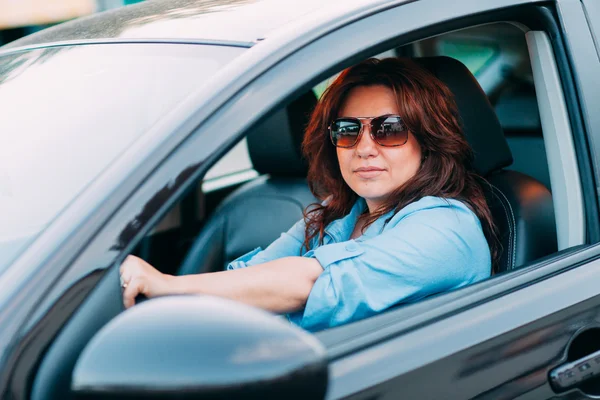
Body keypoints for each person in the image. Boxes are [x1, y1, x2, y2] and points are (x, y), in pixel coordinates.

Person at [119, 57, 496, 332]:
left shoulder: (448, 227)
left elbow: (313, 284)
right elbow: (255, 275)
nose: (364, 147)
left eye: (389, 129)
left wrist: (167, 286)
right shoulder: (340, 213)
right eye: (348, 130)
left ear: (428, 141)